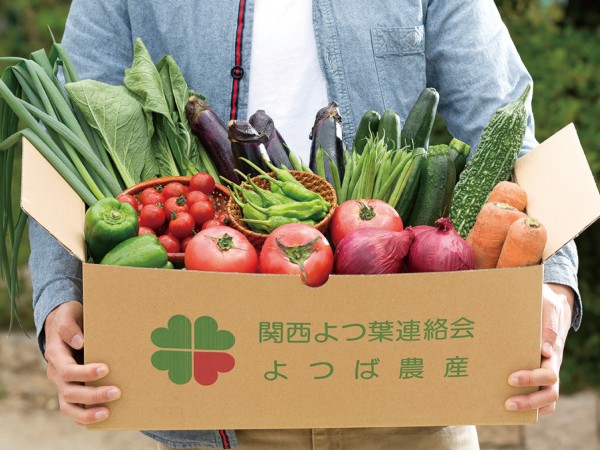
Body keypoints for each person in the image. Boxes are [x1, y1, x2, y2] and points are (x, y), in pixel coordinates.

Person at [29, 0, 581, 449]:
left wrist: (552, 284)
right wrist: (59, 300)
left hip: (406, 383)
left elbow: (507, 131)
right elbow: (65, 144)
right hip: (212, 393)